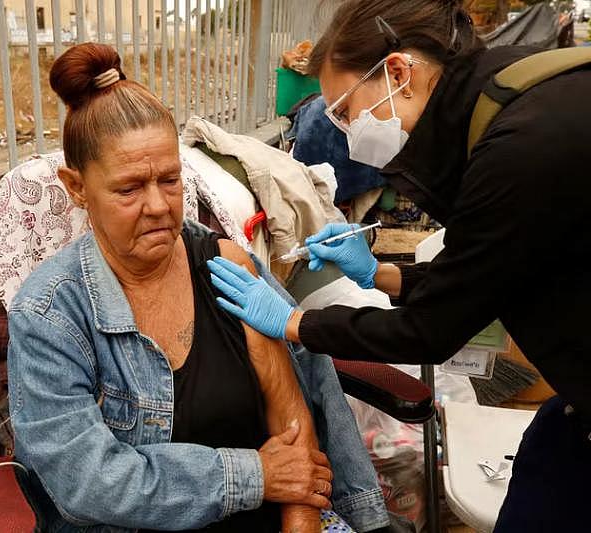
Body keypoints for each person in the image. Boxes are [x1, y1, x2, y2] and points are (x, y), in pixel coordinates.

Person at [209, 0, 590, 531]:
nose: (344, 132)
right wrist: (377, 274)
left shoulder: (520, 148)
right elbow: (487, 273)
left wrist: (294, 322)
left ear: (397, 72)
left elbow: (433, 329)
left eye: (343, 111)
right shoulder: (511, 93)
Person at [7, 43, 392, 532]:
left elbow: (295, 429)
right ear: (77, 187)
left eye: (170, 180)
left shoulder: (225, 265)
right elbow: (87, 482)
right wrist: (255, 475)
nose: (158, 206)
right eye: (129, 189)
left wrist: (301, 518)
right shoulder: (49, 315)